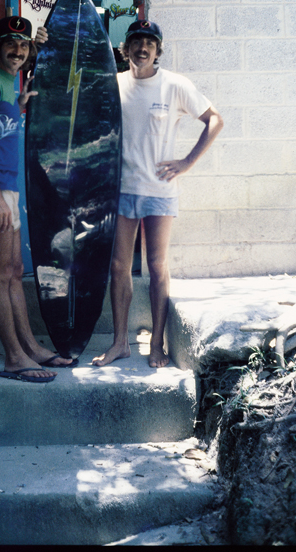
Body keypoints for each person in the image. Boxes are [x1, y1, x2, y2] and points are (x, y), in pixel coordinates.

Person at [92, 19, 224, 368]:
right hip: (121, 190)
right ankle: (120, 342)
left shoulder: (175, 86)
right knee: (119, 266)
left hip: (159, 191)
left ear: (158, 50)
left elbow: (215, 120)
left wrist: (186, 162)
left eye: (150, 43)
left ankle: (157, 344)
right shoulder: (113, 84)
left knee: (156, 266)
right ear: (126, 49)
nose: (143, 48)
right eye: (136, 41)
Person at [0, 15, 76, 382]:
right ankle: (14, 357)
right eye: (10, 44)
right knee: (0, 274)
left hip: (6, 190)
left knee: (14, 271)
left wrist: (22, 103)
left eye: (23, 45)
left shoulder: (8, 84)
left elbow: (1, 129)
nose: (17, 51)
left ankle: (31, 348)